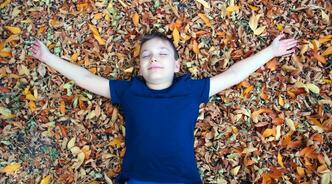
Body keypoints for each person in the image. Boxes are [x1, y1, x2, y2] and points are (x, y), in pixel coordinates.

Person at [29, 31, 298, 184]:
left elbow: (233, 73)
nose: (153, 57)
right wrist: (48, 57)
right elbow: (85, 78)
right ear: (140, 67)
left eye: (162, 53)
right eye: (146, 55)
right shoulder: (129, 91)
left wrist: (271, 52)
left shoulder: (191, 90)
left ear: (177, 65)